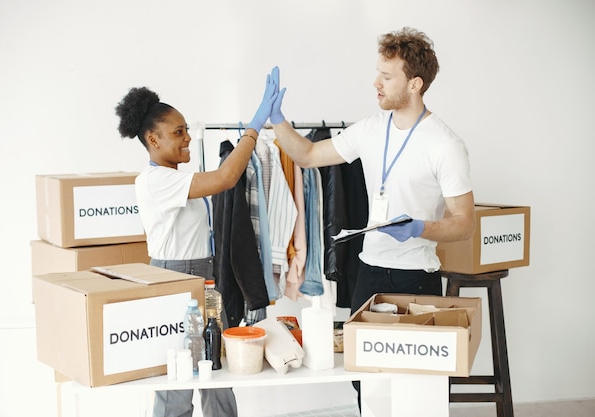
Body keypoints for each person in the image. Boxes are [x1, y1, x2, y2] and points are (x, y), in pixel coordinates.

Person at [266, 27, 475, 408]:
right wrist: (278, 120)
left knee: (419, 388)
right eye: (377, 72)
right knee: (366, 384)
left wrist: (421, 228)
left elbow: (464, 222)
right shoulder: (370, 128)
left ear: (415, 84)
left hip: (417, 280)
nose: (375, 83)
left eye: (387, 76)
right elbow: (310, 156)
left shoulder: (445, 145)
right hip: (369, 274)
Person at [114, 71, 279, 417]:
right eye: (178, 132)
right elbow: (225, 177)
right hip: (174, 281)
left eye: (187, 129)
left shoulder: (176, 177)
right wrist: (254, 127)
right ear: (152, 139)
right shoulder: (155, 180)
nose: (188, 138)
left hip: (202, 278)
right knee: (178, 380)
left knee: (215, 374)